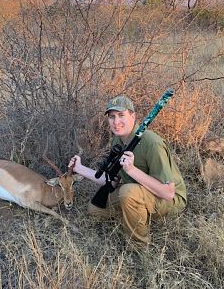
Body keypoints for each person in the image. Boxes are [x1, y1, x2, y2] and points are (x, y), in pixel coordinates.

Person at [68, 95, 187, 244]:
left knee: (127, 191)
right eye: (112, 117)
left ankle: (138, 246)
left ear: (133, 116)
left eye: (121, 115)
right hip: (140, 191)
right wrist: (79, 168)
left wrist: (131, 171)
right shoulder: (118, 139)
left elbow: (168, 193)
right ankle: (135, 212)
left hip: (170, 200)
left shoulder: (152, 143)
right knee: (95, 209)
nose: (116, 122)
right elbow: (111, 177)